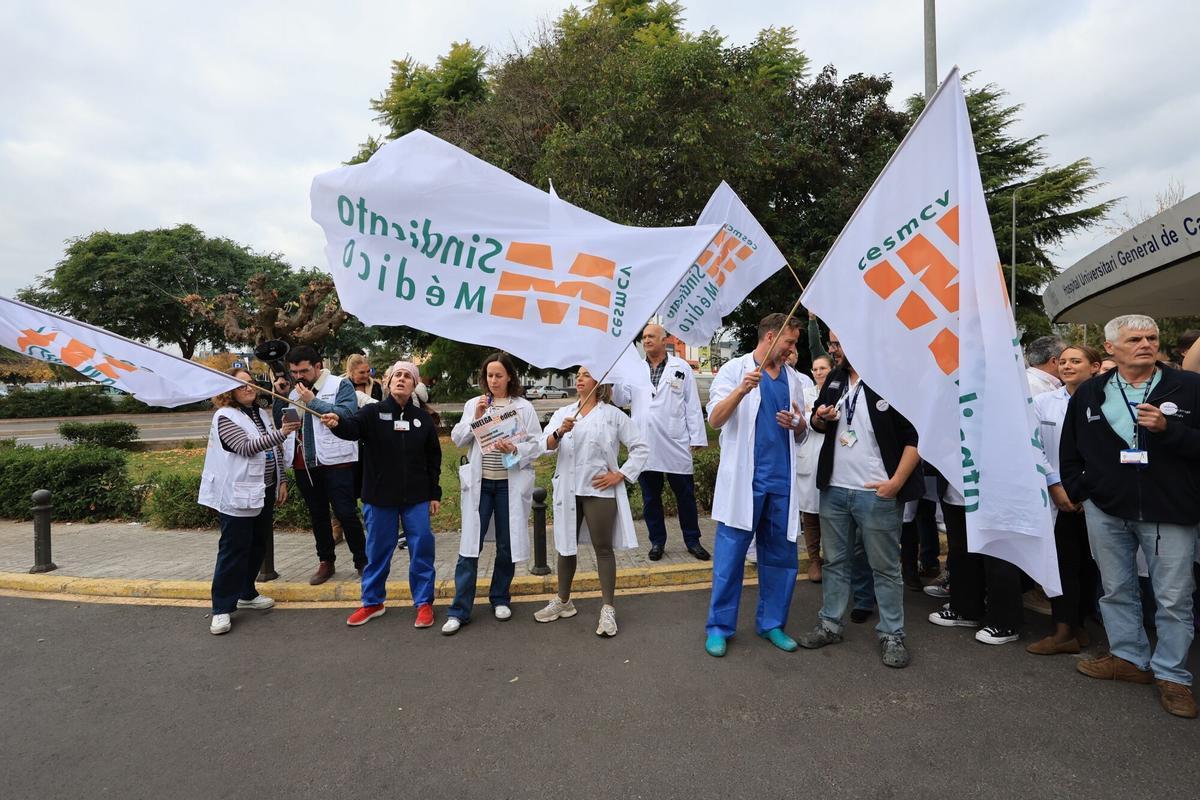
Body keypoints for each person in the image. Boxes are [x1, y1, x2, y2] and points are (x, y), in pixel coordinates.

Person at [1060, 314, 1200, 719]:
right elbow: (1071, 450)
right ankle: (1128, 657)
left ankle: (1172, 676)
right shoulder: (1090, 391)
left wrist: (1168, 430)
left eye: (1152, 337)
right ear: (1110, 349)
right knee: (1115, 588)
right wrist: (1082, 490)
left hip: (1170, 512)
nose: (1145, 344)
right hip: (1106, 509)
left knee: (1173, 599)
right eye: (1134, 338)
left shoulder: (1189, 388)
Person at [797, 331, 922, 668]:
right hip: (835, 490)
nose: (833, 351)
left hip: (877, 492)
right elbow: (818, 423)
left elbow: (916, 438)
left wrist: (895, 483)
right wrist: (819, 418)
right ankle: (830, 623)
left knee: (884, 567)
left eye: (838, 345)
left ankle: (892, 633)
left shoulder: (891, 380)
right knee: (835, 563)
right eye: (832, 345)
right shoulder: (836, 379)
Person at [703, 313, 811, 658]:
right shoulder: (735, 370)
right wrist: (740, 391)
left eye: (795, 343)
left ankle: (772, 624)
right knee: (730, 560)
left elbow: (802, 430)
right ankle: (719, 628)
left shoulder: (794, 379)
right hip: (745, 485)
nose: (793, 350)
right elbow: (716, 419)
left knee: (780, 558)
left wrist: (797, 423)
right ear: (768, 337)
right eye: (789, 342)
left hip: (781, 483)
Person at [320, 361, 443, 629]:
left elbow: (434, 458)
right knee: (377, 552)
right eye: (397, 375)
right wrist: (336, 423)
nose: (401, 380)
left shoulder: (422, 419)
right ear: (387, 383)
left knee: (422, 549)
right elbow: (350, 428)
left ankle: (423, 603)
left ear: (414, 386)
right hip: (379, 498)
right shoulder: (372, 413)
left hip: (417, 497)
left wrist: (435, 493)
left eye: (407, 377)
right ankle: (373, 602)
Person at [536, 367, 649, 637]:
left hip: (599, 491)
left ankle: (608, 608)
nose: (579, 378)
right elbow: (545, 446)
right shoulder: (564, 413)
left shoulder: (612, 415)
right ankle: (563, 601)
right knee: (566, 546)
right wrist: (559, 432)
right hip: (568, 489)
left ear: (599, 381)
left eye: (586, 374)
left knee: (603, 549)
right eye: (578, 374)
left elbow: (641, 447)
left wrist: (619, 474)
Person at [443, 352, 543, 635]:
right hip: (481, 483)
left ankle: (500, 597)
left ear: (510, 376)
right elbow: (458, 439)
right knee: (469, 546)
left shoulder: (522, 407)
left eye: (499, 375)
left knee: (506, 545)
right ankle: (459, 610)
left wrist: (515, 449)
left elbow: (535, 444)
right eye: (489, 375)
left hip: (508, 484)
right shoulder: (475, 404)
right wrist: (475, 419)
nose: (494, 380)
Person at [199, 369, 300, 635]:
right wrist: (283, 432)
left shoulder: (260, 414)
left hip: (263, 489)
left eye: (251, 383)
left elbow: (273, 452)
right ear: (228, 391)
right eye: (241, 384)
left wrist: (281, 481)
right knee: (233, 549)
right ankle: (221, 607)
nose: (249, 388)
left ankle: (247, 592)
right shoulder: (225, 417)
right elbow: (246, 447)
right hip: (237, 493)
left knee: (258, 544)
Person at [1026, 344, 1102, 655]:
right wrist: (1056, 486)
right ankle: (1062, 630)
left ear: (1095, 366)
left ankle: (1079, 625)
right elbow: (1034, 447)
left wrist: (1083, 490)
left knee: (1090, 564)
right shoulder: (1044, 402)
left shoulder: (1106, 401)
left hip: (1094, 496)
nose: (1067, 366)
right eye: (1064, 361)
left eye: (1076, 361)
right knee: (1062, 564)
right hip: (1057, 495)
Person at [285, 345, 368, 584]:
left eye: (303, 371)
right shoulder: (293, 391)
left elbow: (347, 413)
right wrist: (282, 400)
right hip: (305, 463)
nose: (298, 376)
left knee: (346, 513)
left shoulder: (340, 385)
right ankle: (326, 561)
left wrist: (313, 402)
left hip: (337, 461)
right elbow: (289, 420)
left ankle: (362, 561)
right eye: (294, 372)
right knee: (318, 515)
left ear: (318, 366)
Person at [633, 323, 710, 562]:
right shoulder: (634, 370)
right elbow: (620, 397)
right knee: (650, 498)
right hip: (645, 443)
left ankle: (692, 540)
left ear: (663, 340)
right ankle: (657, 542)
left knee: (685, 496)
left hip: (676, 442)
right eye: (644, 337)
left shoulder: (681, 367)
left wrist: (697, 436)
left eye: (651, 336)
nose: (646, 340)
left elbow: (692, 404)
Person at [797, 349, 833, 583]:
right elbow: (800, 417)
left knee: (831, 513)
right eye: (816, 369)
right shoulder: (805, 392)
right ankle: (814, 560)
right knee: (810, 512)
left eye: (823, 368)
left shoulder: (840, 392)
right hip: (809, 454)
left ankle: (832, 561)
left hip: (833, 455)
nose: (819, 372)